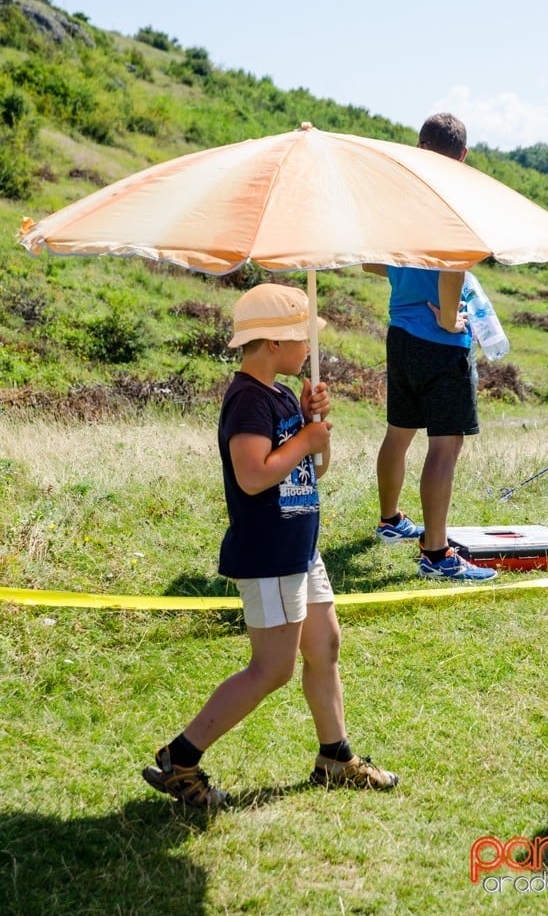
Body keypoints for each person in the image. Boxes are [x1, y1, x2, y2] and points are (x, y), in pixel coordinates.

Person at [142, 283, 398, 807]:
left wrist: (311, 427)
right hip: (270, 554)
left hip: (301, 548)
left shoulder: (281, 395)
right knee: (273, 669)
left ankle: (335, 756)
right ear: (274, 342)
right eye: (303, 339)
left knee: (324, 647)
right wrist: (304, 438)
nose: (310, 350)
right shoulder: (246, 401)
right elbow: (253, 475)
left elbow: (313, 470)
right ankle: (181, 759)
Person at [365, 113, 497, 582]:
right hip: (441, 341)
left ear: (419, 147)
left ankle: (389, 521)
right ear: (462, 156)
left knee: (399, 432)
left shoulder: (400, 201)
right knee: (445, 446)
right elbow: (454, 265)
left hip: (400, 336)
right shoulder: (453, 198)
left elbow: (370, 263)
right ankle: (436, 554)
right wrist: (446, 316)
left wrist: (406, 271)